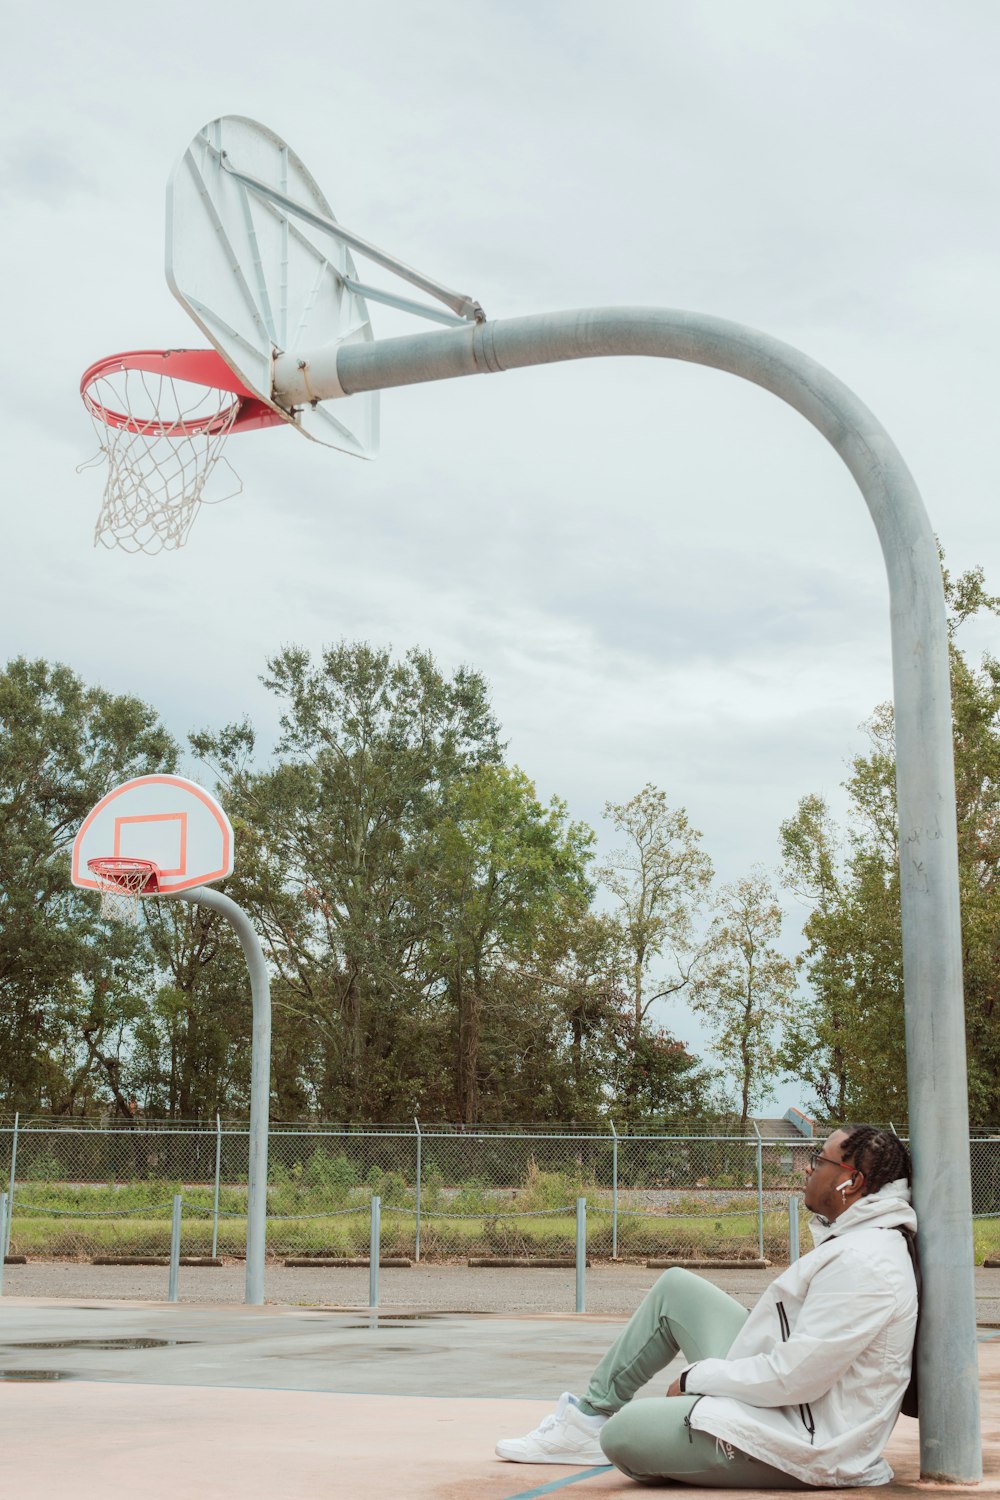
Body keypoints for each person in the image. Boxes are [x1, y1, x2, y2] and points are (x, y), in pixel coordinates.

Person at [496, 1125, 917, 1488]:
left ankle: (626, 1430)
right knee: (676, 1288)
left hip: (807, 1441)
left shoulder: (865, 1263)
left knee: (625, 1436)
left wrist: (698, 1378)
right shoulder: (859, 1241)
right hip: (789, 1401)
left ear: (852, 1182)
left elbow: (796, 1379)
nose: (808, 1168)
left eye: (818, 1160)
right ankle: (585, 1421)